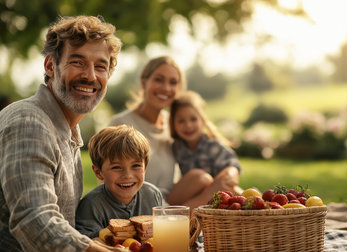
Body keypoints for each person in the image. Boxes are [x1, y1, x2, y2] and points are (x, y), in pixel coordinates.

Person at [0, 15, 122, 252]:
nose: (90, 76)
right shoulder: (29, 121)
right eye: (77, 62)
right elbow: (34, 219)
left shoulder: (67, 133)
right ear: (50, 66)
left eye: (100, 66)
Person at [109, 56, 241, 209]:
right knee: (206, 183)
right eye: (159, 79)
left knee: (201, 178)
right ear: (144, 82)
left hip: (170, 201)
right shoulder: (120, 125)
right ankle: (177, 220)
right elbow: (107, 180)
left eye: (173, 82)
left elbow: (201, 150)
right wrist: (212, 192)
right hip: (136, 205)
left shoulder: (174, 123)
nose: (166, 88)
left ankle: (177, 220)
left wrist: (228, 174)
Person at [76, 125, 164, 238]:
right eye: (116, 167)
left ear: (145, 167)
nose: (127, 175)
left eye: (136, 165)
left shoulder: (152, 195)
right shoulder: (91, 205)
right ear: (98, 172)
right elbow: (86, 242)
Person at [166, 90, 242, 206]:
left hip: (217, 198)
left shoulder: (213, 146)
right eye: (181, 121)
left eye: (193, 119)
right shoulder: (177, 147)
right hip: (196, 195)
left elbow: (232, 169)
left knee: (213, 182)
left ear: (202, 120)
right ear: (173, 124)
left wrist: (217, 186)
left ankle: (183, 214)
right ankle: (178, 212)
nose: (188, 125)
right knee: (200, 178)